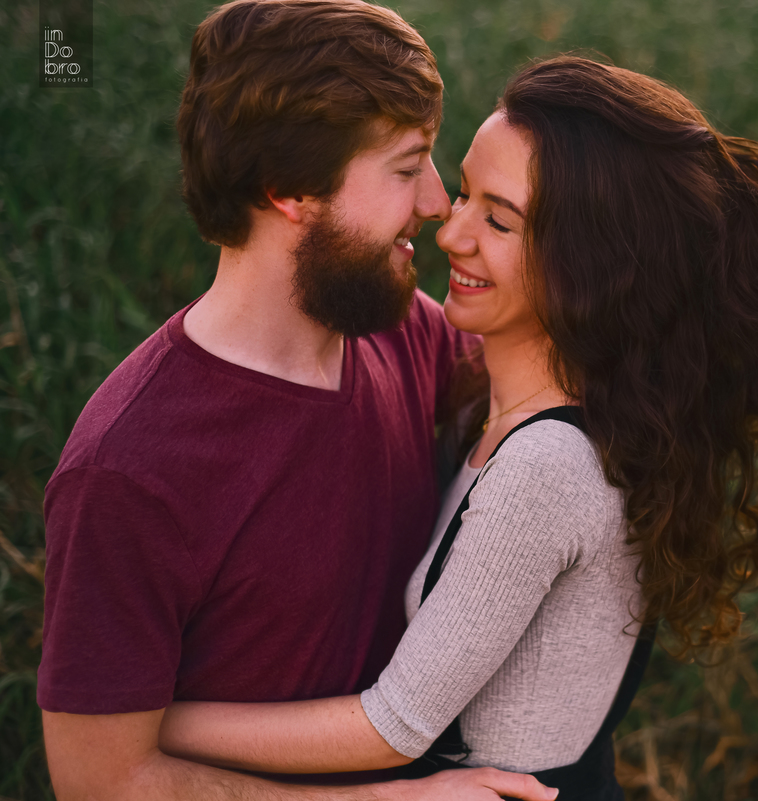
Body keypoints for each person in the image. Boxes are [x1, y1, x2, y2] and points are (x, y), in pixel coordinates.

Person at [154, 56, 758, 798]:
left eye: (498, 220)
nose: (451, 233)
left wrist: (155, 724)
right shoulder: (532, 404)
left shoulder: (546, 467)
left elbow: (396, 725)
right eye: (463, 195)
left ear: (589, 263)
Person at [36, 1, 556, 799]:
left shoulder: (404, 331)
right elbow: (100, 780)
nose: (434, 202)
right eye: (407, 166)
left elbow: (561, 398)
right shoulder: (128, 469)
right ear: (290, 191)